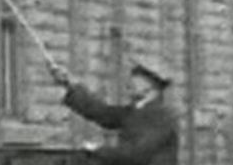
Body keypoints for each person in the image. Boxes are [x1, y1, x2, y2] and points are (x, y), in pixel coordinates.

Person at [48, 60, 179, 165]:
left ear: (152, 85)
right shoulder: (136, 111)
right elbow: (103, 113)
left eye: (137, 78)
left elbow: (135, 155)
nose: (130, 81)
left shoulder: (162, 118)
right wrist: (69, 84)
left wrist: (97, 150)